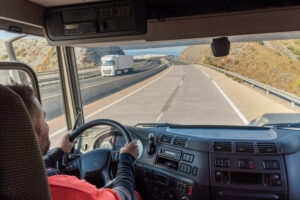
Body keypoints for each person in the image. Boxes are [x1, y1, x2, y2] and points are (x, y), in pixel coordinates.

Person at [8, 85, 141, 200]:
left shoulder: (12, 176)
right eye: (43, 119)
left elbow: (38, 168)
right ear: (30, 135)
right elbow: (121, 196)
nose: (47, 126)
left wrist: (58, 151)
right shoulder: (59, 188)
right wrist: (126, 159)